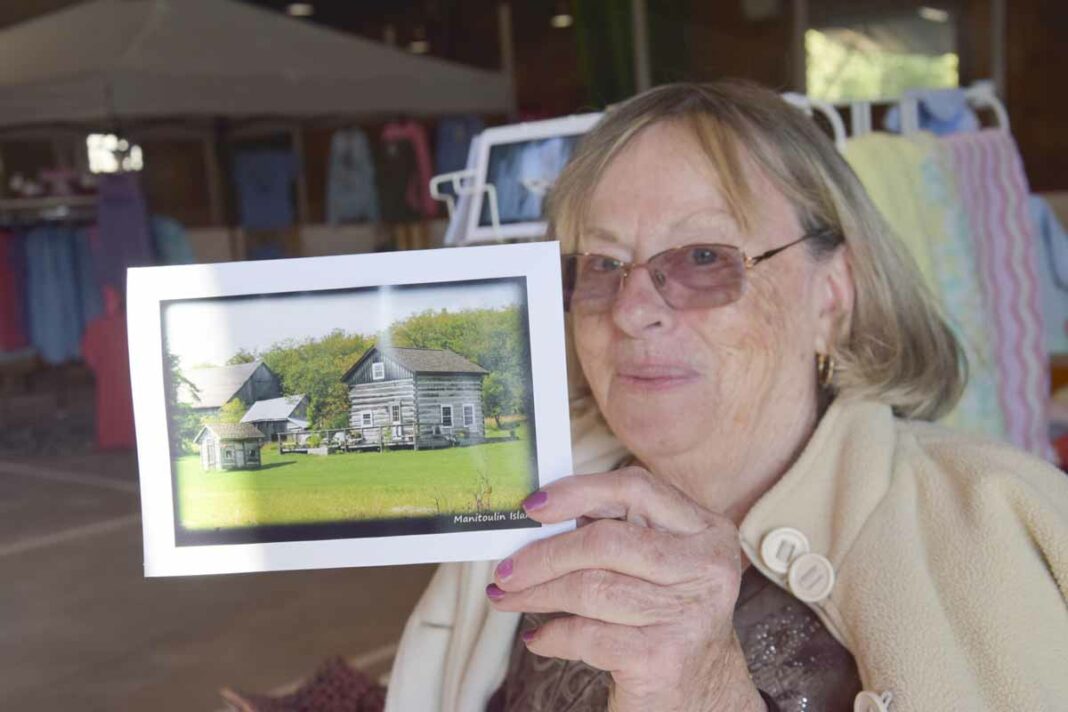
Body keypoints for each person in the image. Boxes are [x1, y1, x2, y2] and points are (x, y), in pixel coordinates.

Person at [384, 82, 1068, 712]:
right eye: (602, 265)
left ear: (831, 298)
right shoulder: (521, 490)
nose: (631, 311)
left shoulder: (1007, 527)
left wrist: (713, 691)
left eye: (704, 258)